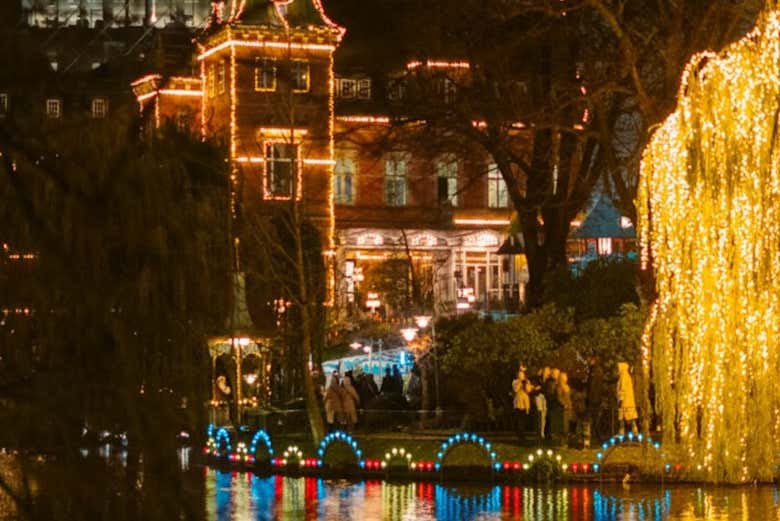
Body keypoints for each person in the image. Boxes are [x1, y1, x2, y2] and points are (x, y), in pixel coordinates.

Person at [617, 362, 639, 435]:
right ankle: (635, 431)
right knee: (631, 416)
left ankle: (622, 432)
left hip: (624, 401)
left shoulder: (623, 376)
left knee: (622, 417)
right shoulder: (627, 376)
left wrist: (621, 399)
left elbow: (622, 389)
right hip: (629, 400)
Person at [512, 367, 530, 439]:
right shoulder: (515, 382)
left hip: (525, 402)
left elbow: (528, 390)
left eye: (522, 375)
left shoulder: (526, 381)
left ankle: (523, 433)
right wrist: (519, 383)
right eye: (519, 375)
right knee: (519, 420)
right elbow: (515, 390)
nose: (521, 376)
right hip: (518, 403)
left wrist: (526, 384)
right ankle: (520, 434)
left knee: (524, 420)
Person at [556, 371, 573, 446]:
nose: (566, 378)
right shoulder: (559, 387)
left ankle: (566, 441)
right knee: (564, 425)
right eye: (565, 377)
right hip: (563, 409)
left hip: (568, 407)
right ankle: (562, 442)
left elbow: (568, 397)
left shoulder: (566, 386)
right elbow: (559, 397)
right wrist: (564, 404)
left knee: (568, 424)